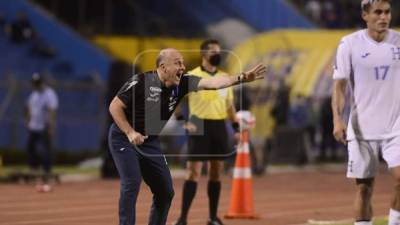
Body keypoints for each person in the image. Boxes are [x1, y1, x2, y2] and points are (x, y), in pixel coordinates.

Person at [108, 48, 266, 225]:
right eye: (178, 63)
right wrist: (130, 132)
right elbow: (114, 106)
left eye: (182, 63)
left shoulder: (183, 83)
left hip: (149, 142)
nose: (183, 67)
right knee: (132, 182)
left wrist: (243, 77)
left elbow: (213, 84)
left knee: (166, 192)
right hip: (123, 138)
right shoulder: (141, 81)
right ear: (163, 67)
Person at [331, 1, 400, 224]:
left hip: (396, 126)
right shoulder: (349, 44)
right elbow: (339, 86)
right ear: (365, 15)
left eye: (387, 12)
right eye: (378, 12)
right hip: (363, 128)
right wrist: (337, 120)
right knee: (364, 188)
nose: (384, 17)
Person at [173, 39, 238, 225]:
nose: (217, 55)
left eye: (219, 51)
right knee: (193, 172)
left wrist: (236, 128)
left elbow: (230, 106)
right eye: (213, 52)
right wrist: (182, 122)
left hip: (219, 125)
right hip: (198, 123)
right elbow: (176, 102)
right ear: (203, 55)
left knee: (216, 172)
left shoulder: (225, 77)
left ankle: (212, 217)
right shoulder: (190, 77)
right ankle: (183, 218)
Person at [25, 73, 58, 192]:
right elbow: (29, 107)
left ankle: (46, 174)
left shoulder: (49, 94)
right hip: (34, 126)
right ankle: (34, 173)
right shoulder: (34, 94)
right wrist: (28, 120)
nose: (35, 85)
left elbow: (52, 110)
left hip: (44, 126)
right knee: (30, 149)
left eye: (37, 83)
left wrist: (51, 125)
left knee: (46, 151)